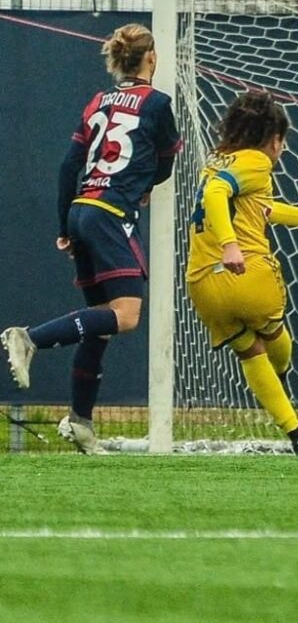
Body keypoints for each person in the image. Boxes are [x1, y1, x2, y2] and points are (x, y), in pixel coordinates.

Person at [2, 23, 182, 454]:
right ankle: (30, 338)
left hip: (84, 207)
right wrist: (143, 184)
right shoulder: (157, 104)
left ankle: (81, 422)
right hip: (110, 213)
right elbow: (165, 164)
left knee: (99, 321)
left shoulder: (98, 102)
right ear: (151, 58)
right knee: (126, 315)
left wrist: (65, 225)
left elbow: (69, 165)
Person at [186, 90, 298, 455]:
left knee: (250, 352)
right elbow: (216, 195)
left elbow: (266, 211)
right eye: (283, 141)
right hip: (247, 272)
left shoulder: (217, 160)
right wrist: (231, 244)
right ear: (273, 138)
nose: (282, 149)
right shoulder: (256, 162)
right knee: (277, 341)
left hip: (202, 283)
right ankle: (280, 385)